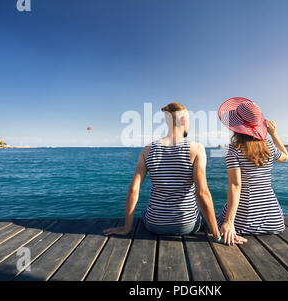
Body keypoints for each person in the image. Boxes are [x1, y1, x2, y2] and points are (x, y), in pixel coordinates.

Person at [104, 102, 246, 245]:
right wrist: (217, 236)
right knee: (201, 216)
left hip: (154, 224)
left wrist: (126, 228)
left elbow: (134, 190)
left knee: (144, 212)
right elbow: (202, 193)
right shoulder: (196, 148)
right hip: (187, 225)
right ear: (184, 120)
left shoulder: (147, 150)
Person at [217, 97, 288, 245]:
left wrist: (229, 222)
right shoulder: (268, 145)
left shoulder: (233, 149)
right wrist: (274, 134)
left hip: (242, 223)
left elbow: (236, 186)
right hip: (273, 221)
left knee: (214, 221)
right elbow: (285, 157)